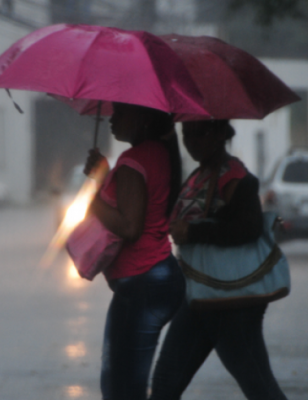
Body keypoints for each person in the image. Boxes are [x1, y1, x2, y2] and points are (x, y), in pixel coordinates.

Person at [149, 119, 288, 400]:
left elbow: (249, 227)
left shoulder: (235, 177)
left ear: (220, 133)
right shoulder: (199, 175)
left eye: (199, 133)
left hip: (231, 302)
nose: (191, 141)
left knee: (259, 387)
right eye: (185, 134)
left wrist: (195, 231)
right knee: (164, 384)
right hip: (199, 295)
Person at [83, 102, 186, 400]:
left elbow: (129, 227)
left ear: (142, 118)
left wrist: (92, 198)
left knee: (120, 388)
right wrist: (104, 175)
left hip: (142, 281)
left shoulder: (133, 160)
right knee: (129, 383)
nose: (112, 119)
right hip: (158, 276)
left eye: (121, 113)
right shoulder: (160, 154)